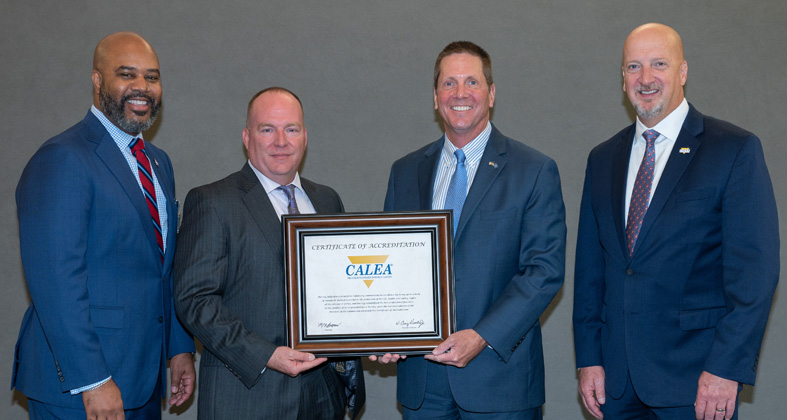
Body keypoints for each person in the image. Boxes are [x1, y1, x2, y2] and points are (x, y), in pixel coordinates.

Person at [573, 23, 780, 420]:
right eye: (634, 66)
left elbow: (755, 273)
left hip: (699, 382)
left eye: (659, 64)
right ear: (622, 79)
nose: (645, 78)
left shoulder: (733, 149)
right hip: (617, 385)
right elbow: (590, 273)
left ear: (683, 72)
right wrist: (589, 358)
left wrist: (725, 368)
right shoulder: (602, 159)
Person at [377, 41, 566, 419]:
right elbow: (391, 263)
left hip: (501, 382)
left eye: (472, 82)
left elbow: (544, 272)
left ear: (491, 94)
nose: (460, 94)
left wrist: (480, 337)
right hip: (423, 383)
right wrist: (385, 330)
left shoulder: (533, 170)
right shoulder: (406, 171)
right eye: (449, 84)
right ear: (435, 97)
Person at [12, 32, 196, 419]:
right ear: (97, 80)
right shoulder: (62, 158)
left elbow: (161, 269)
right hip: (83, 389)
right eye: (127, 74)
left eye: (152, 76)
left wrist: (178, 348)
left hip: (143, 379)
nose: (142, 87)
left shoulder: (158, 163)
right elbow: (55, 281)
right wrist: (92, 380)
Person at [174, 87, 364, 420]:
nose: (281, 141)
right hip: (247, 398)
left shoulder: (327, 201)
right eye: (267, 129)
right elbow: (194, 300)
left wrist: (382, 333)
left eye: (291, 129)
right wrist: (266, 355)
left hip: (322, 397)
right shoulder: (214, 202)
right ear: (247, 137)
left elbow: (342, 291)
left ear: (305, 137)